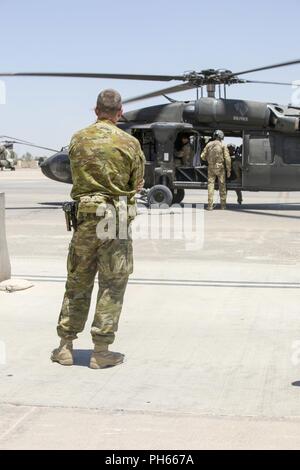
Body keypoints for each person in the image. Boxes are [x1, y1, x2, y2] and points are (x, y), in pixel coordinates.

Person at [51, 89, 145, 369]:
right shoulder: (129, 143)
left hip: (85, 219)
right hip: (115, 220)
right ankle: (101, 351)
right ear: (120, 111)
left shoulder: (78, 138)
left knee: (77, 282)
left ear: (95, 110)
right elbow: (137, 184)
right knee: (112, 285)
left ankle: (65, 347)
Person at [201, 130, 231, 210]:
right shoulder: (223, 145)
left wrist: (209, 160)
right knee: (222, 186)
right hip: (220, 168)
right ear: (221, 136)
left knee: (210, 185)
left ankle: (210, 206)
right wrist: (228, 170)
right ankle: (223, 206)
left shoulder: (209, 144)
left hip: (211, 167)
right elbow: (227, 158)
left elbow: (202, 156)